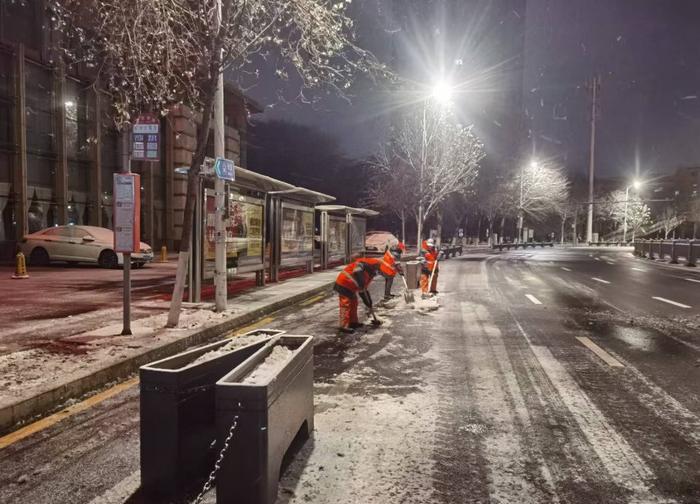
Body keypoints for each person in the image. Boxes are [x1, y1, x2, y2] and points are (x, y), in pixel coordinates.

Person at [333, 256, 395, 333]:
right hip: (344, 283)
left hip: (351, 286)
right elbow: (357, 270)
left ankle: (353, 322)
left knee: (354, 303)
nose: (379, 273)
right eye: (380, 272)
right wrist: (360, 279)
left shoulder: (371, 273)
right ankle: (343, 326)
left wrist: (368, 302)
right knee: (345, 305)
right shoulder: (365, 264)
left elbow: (363, 289)